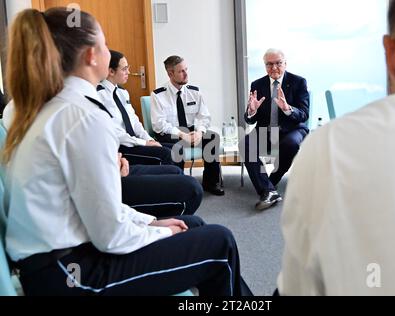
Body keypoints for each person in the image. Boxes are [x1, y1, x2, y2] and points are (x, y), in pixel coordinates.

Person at [3, 8, 251, 296]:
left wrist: (151, 222)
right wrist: (162, 232)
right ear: (91, 55)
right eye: (105, 44)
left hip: (57, 262)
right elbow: (110, 234)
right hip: (71, 275)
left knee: (194, 225)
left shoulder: (51, 108)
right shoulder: (82, 117)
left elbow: (92, 209)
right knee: (219, 242)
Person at [278, 0, 395, 296]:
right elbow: (248, 117)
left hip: (294, 133)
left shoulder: (334, 147)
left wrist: (286, 107)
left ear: (391, 54)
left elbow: (300, 289)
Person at [2, 103, 203, 217]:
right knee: (189, 189)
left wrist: (144, 141)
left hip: (107, 171)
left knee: (177, 174)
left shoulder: (69, 101)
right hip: (98, 188)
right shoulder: (48, 109)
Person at [242, 49, 309, 211]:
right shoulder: (257, 84)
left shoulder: (298, 82)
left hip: (293, 129)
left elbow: (304, 114)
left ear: (285, 64)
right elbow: (250, 119)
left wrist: (288, 109)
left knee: (291, 144)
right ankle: (268, 191)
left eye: (278, 63)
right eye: (269, 64)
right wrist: (252, 111)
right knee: (245, 144)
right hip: (266, 129)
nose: (274, 67)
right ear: (265, 66)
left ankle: (271, 181)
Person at [151, 56, 224, 196]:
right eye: (181, 71)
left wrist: (199, 132)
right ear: (170, 74)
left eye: (186, 69)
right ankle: (179, 185)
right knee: (175, 146)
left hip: (191, 132)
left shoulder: (194, 92)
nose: (186, 74)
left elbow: (204, 116)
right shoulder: (158, 95)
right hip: (170, 133)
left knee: (212, 137)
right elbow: (158, 124)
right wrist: (181, 134)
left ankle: (211, 182)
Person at [97, 50, 173, 166]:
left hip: (134, 142)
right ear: (111, 71)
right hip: (121, 146)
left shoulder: (122, 92)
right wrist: (144, 143)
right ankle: (171, 181)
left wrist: (149, 140)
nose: (129, 72)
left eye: (128, 68)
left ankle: (179, 181)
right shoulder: (99, 95)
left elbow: (134, 121)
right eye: (124, 69)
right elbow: (115, 132)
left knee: (177, 150)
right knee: (165, 153)